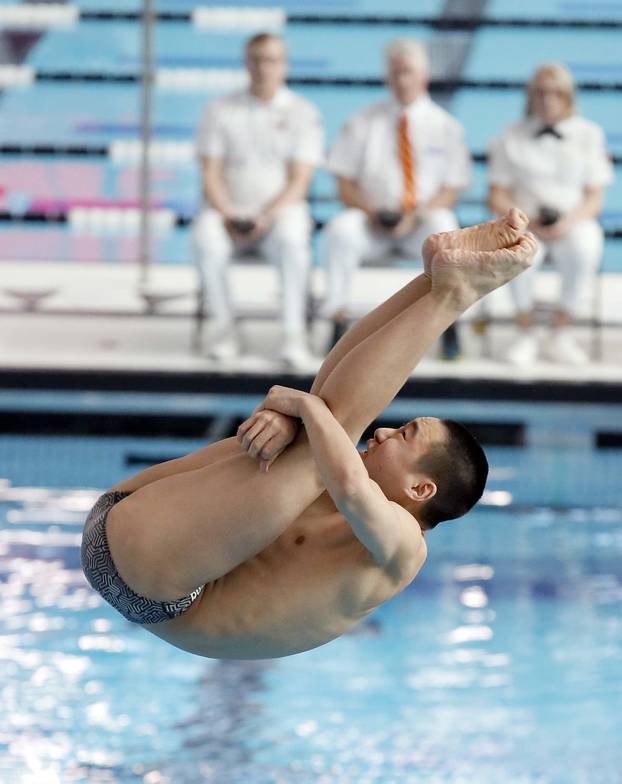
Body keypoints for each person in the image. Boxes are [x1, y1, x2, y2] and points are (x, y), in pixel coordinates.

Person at [81, 210, 537, 660]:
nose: (383, 432)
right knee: (324, 426)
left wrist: (300, 407)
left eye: (404, 436)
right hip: (138, 532)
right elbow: (333, 413)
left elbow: (353, 487)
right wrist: (302, 413)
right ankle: (435, 281)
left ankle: (449, 292)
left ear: (421, 489)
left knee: (325, 429)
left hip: (154, 586)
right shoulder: (332, 465)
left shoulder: (403, 546)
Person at [321, 37, 472, 359]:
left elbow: (452, 188)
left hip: (420, 226)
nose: (404, 80)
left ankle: (451, 324)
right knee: (341, 228)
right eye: (397, 72)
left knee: (446, 224)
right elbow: (344, 185)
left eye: (410, 72)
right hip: (372, 221)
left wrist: (416, 215)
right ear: (387, 76)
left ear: (424, 75)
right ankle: (336, 319)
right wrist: (372, 210)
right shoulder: (361, 122)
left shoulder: (446, 127)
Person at [192, 32, 324, 367]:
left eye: (272, 60)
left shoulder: (303, 112)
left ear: (284, 66)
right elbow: (210, 173)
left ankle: (293, 335)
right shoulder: (220, 110)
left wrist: (265, 216)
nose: (263, 68)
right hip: (229, 212)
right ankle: (224, 331)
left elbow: (300, 180)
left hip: (278, 216)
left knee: (294, 237)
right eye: (257, 60)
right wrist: (228, 213)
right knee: (206, 235)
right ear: (246, 64)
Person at [487, 62, 612, 367]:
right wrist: (524, 219)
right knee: (515, 251)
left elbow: (595, 197)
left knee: (587, 245)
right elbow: (497, 194)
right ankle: (525, 332)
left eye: (556, 93)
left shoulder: (590, 134)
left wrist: (568, 221)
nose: (548, 99)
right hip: (526, 222)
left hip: (573, 222)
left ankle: (561, 331)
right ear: (531, 96)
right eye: (541, 93)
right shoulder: (509, 136)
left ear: (569, 96)